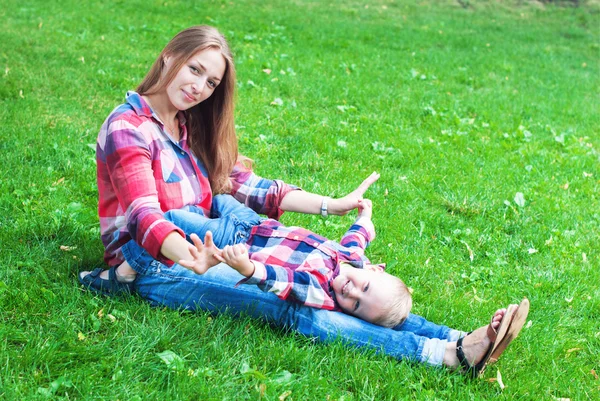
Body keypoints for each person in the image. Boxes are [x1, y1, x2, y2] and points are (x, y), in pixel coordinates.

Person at [78, 25, 529, 377]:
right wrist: (189, 256)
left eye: (211, 81)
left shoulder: (188, 123)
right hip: (157, 262)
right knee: (294, 305)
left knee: (353, 293)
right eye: (194, 70)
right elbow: (143, 216)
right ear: (170, 56)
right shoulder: (129, 127)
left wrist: (333, 204)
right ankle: (443, 355)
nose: (199, 88)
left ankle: (464, 338)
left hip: (216, 242)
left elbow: (249, 188)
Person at [148, 194, 413, 328]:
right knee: (219, 196)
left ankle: (147, 233)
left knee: (173, 216)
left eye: (355, 305)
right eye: (364, 288)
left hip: (234, 241)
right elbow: (357, 237)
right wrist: (365, 217)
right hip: (254, 222)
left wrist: (248, 268)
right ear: (373, 270)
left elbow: (282, 282)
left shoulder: (319, 289)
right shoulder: (354, 260)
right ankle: (199, 211)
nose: (351, 291)